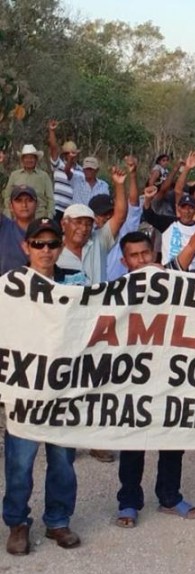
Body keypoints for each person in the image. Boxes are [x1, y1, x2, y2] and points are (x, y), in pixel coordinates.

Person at [114, 196, 195, 528]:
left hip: (172, 372)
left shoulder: (171, 274)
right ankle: (129, 500)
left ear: (154, 254)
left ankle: (170, 496)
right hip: (134, 376)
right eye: (135, 256)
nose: (142, 260)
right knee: (133, 440)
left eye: (146, 253)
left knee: (173, 438)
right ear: (125, 260)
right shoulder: (114, 291)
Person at [4, 218, 80, 555]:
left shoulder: (76, 286)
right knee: (19, 464)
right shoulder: (8, 289)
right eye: (38, 244)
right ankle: (17, 523)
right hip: (25, 393)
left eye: (52, 244)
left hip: (64, 393)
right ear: (26, 247)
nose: (45, 250)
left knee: (62, 461)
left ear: (60, 247)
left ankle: (58, 521)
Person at [56, 166, 129, 286]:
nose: (84, 228)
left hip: (99, 304)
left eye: (88, 224)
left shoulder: (99, 241)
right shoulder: (53, 251)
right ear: (64, 224)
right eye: (78, 222)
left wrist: (119, 185)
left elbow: (120, 216)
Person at [2, 144, 54, 219]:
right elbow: (7, 196)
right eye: (26, 158)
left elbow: (50, 199)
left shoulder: (44, 176)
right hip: (18, 215)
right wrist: (11, 212)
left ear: (36, 159)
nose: (29, 160)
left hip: (39, 215)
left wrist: (49, 216)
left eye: (32, 158)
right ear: (22, 160)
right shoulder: (14, 175)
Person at [46, 119, 81, 220]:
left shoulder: (82, 171)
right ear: (65, 154)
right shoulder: (58, 165)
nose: (71, 156)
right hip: (57, 208)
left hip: (72, 211)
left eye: (73, 153)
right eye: (69, 153)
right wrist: (52, 131)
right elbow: (53, 147)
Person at [0, 186, 39, 274]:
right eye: (19, 200)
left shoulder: (44, 230)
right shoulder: (3, 226)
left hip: (37, 285)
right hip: (4, 285)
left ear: (37, 204)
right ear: (11, 206)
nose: (24, 205)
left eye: (29, 200)